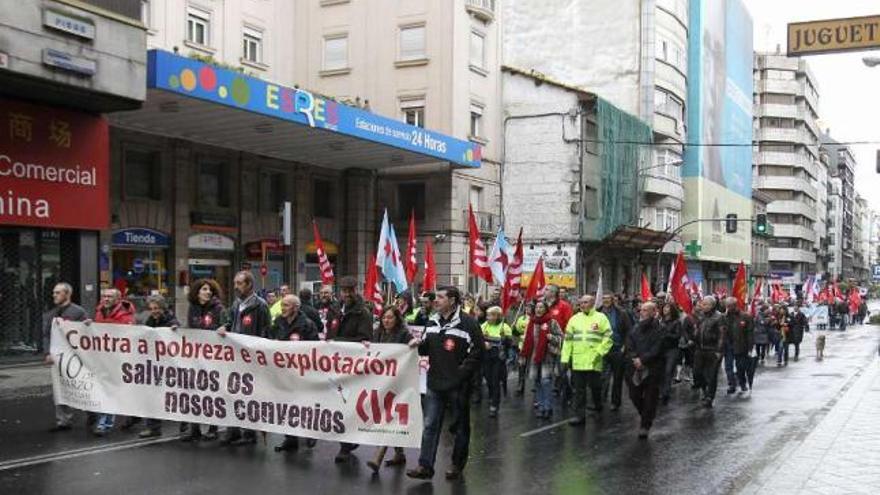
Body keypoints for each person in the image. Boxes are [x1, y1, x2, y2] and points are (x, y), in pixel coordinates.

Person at [407, 286, 484, 481]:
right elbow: (426, 349)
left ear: (452, 300)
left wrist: (460, 374)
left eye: (441, 297)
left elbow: (477, 352)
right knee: (430, 424)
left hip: (458, 385)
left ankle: (457, 464)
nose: (436, 300)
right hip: (435, 382)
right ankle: (425, 466)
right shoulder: (432, 320)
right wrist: (419, 345)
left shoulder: (468, 323)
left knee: (459, 427)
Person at [218, 271, 271, 446]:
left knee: (248, 396)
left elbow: (265, 332)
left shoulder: (260, 306)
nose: (235, 286)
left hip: (250, 359)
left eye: (239, 283)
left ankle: (249, 434)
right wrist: (225, 327)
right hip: (234, 357)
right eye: (235, 283)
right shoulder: (236, 304)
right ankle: (233, 430)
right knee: (232, 393)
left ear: (249, 285)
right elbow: (231, 323)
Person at [329, 276, 373, 463]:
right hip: (335, 364)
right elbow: (330, 333)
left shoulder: (363, 313)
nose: (346, 294)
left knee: (349, 404)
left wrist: (336, 343)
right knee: (338, 404)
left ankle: (345, 446)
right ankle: (348, 440)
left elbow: (363, 339)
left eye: (350, 290)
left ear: (356, 290)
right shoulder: (335, 310)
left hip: (353, 367)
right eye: (344, 291)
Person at [366, 307, 413, 473]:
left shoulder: (404, 335)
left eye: (390, 318)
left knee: (389, 416)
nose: (386, 320)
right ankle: (399, 453)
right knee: (387, 415)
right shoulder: (377, 333)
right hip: (381, 381)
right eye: (384, 317)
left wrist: (412, 344)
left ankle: (378, 455)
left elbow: (413, 350)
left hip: (398, 381)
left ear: (397, 319)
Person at [272, 295, 319, 453]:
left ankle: (310, 433)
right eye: (282, 305)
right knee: (287, 405)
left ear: (295, 308)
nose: (282, 308)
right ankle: (290, 438)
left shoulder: (307, 324)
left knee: (304, 404)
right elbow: (268, 339)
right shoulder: (278, 322)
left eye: (286, 305)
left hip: (302, 373)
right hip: (283, 372)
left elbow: (315, 349)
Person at [181, 278, 225, 441]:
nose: (207, 292)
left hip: (213, 358)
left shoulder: (218, 308)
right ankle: (195, 428)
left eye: (210, 290)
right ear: (197, 292)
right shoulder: (192, 308)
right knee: (194, 392)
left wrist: (223, 328)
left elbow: (225, 324)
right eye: (204, 289)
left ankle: (213, 428)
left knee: (211, 393)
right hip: (196, 357)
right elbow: (191, 328)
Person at [90, 287, 136, 436]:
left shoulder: (125, 314)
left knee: (110, 391)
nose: (106, 299)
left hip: (118, 360)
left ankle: (104, 423)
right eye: (104, 296)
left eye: (109, 297)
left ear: (118, 299)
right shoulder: (99, 311)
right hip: (102, 358)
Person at [43, 282, 88, 433]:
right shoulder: (52, 314)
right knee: (60, 388)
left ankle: (93, 412)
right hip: (58, 358)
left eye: (58, 293)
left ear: (67, 294)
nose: (54, 295)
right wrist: (47, 353)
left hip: (75, 358)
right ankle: (63, 420)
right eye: (54, 292)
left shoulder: (78, 312)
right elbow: (46, 335)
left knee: (82, 387)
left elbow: (86, 334)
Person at [562, 295, 613, 426]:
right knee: (579, 390)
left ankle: (598, 405)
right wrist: (565, 358)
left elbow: (608, 338)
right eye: (581, 303)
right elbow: (568, 341)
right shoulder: (574, 319)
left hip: (594, 360)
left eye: (585, 302)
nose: (582, 305)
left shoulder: (601, 318)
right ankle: (579, 416)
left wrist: (600, 352)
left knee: (596, 387)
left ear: (592, 303)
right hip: (578, 361)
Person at [137, 295, 180, 438]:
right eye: (152, 309)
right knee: (152, 395)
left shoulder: (170, 320)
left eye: (156, 308)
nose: (154, 311)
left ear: (163, 308)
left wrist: (174, 329)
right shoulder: (150, 320)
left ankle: (185, 425)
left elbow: (176, 330)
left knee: (175, 396)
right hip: (154, 364)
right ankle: (153, 428)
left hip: (169, 365)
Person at [625, 302, 664, 439]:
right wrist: (635, 359)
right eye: (641, 310)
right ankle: (646, 415)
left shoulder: (659, 329)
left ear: (654, 312)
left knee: (650, 397)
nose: (643, 312)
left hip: (652, 368)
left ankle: (645, 425)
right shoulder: (635, 328)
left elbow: (657, 348)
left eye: (646, 310)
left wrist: (643, 360)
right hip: (636, 368)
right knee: (634, 395)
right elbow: (629, 346)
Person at [519, 301, 563, 419]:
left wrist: (551, 337)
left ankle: (548, 407)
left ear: (546, 309)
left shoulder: (552, 322)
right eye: (537, 307)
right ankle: (541, 406)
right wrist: (523, 354)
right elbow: (527, 340)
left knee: (546, 381)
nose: (538, 309)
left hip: (547, 356)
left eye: (541, 307)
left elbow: (561, 338)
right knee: (537, 381)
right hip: (533, 356)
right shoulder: (532, 322)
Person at [599, 294, 632, 411]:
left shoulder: (621, 313)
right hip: (602, 349)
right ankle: (600, 401)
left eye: (608, 298)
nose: (606, 300)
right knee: (602, 376)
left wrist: (625, 346)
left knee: (617, 378)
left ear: (613, 300)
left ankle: (615, 402)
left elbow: (629, 331)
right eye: (604, 298)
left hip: (617, 349)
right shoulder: (598, 313)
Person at [693, 296, 726, 408]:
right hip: (700, 349)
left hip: (712, 349)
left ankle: (709, 397)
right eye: (703, 304)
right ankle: (705, 390)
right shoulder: (701, 315)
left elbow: (722, 335)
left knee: (711, 375)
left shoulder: (719, 317)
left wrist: (719, 350)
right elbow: (697, 329)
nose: (703, 306)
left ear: (712, 305)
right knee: (697, 373)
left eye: (706, 304)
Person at [480, 306, 512, 418]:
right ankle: (492, 395)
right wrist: (483, 343)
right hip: (486, 357)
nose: (487, 317)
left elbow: (510, 344)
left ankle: (494, 404)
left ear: (497, 316)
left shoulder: (505, 327)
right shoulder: (484, 326)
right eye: (487, 315)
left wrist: (505, 339)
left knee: (495, 380)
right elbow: (478, 338)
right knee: (488, 378)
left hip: (498, 358)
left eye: (490, 315)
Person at [724, 297, 754, 396]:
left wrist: (750, 348)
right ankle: (732, 384)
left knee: (740, 367)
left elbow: (750, 334)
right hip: (728, 345)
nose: (727, 308)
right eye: (726, 306)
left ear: (735, 305)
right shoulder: (724, 317)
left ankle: (742, 383)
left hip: (741, 346)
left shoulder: (745, 317)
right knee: (728, 367)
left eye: (729, 306)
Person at [659, 302, 682, 404]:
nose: (665, 309)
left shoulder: (676, 322)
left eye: (667, 308)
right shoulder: (660, 321)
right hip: (661, 349)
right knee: (661, 371)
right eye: (664, 307)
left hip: (672, 350)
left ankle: (665, 393)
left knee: (668, 371)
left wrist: (666, 334)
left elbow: (677, 336)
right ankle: (661, 391)